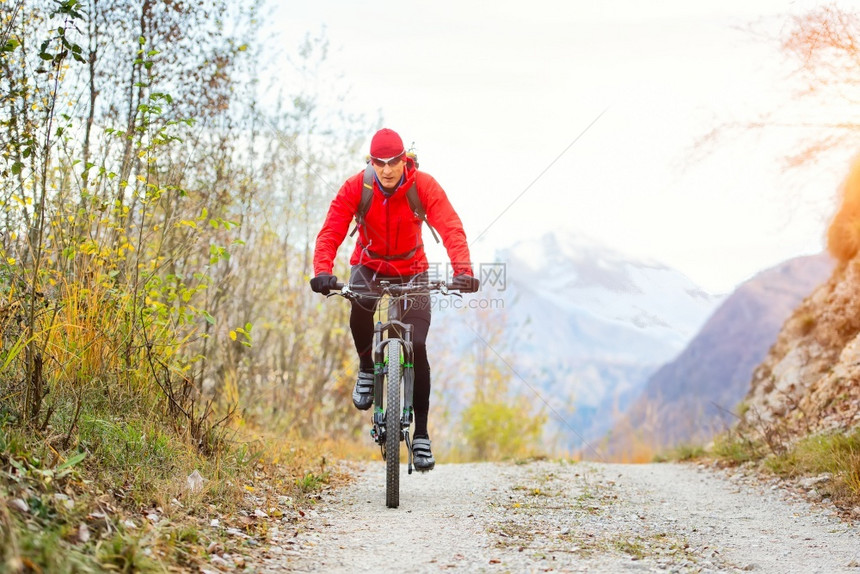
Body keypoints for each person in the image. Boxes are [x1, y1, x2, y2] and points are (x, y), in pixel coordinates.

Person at [309, 128, 480, 471]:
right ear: (371, 162)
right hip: (369, 266)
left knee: (416, 343)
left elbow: (450, 226)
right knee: (359, 307)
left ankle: (422, 435)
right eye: (379, 163)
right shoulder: (357, 187)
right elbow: (332, 230)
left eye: (393, 162)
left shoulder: (423, 186)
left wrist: (463, 270)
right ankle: (368, 369)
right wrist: (322, 270)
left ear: (405, 159)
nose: (387, 170)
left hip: (413, 270)